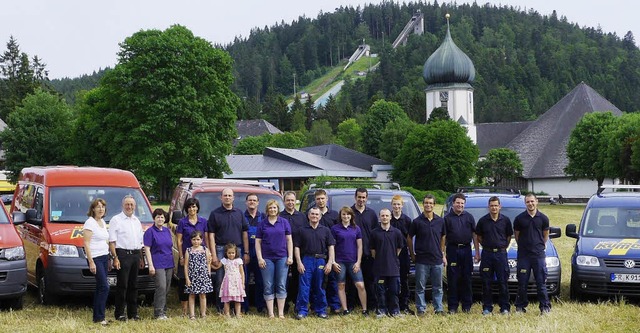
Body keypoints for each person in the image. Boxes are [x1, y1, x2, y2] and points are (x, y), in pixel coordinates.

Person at [208, 188, 250, 313]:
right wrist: (214, 255)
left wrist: (246, 252)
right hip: (221, 249)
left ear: (233, 198)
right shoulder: (215, 214)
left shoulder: (239, 213)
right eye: (225, 195)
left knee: (237, 279)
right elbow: (211, 235)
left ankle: (236, 308)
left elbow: (244, 233)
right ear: (221, 197)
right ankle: (221, 308)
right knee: (221, 280)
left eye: (229, 195)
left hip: (237, 250)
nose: (227, 197)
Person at [294, 207, 336, 320]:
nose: (314, 216)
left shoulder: (326, 230)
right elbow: (296, 247)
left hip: (321, 260)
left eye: (317, 214)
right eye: (312, 214)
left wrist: (330, 263)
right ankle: (302, 310)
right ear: (308, 216)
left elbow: (331, 246)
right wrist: (299, 262)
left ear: (320, 216)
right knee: (304, 286)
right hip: (306, 260)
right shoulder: (301, 230)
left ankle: (321, 310)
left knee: (320, 286)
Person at [514, 193, 552, 314]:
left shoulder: (543, 218)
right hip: (524, 256)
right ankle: (520, 307)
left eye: (532, 201)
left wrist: (537, 246)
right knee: (522, 283)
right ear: (525, 203)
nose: (530, 204)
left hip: (538, 256)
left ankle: (545, 307)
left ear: (536, 201)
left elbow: (545, 236)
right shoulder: (519, 219)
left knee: (541, 283)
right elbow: (517, 236)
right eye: (528, 202)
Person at [408, 194, 446, 315]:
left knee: (438, 287)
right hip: (421, 259)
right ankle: (420, 308)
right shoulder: (417, 221)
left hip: (437, 259)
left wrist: (442, 252)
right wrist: (412, 253)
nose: (428, 205)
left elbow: (443, 236)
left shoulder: (440, 221)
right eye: (426, 203)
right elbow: (409, 237)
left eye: (430, 203)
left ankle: (438, 308)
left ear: (434, 205)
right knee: (420, 287)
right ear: (423, 204)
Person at [108, 194, 144, 321]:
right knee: (122, 286)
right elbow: (112, 241)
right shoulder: (116, 220)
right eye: (127, 204)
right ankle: (120, 314)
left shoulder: (136, 221)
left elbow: (140, 242)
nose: (129, 207)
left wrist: (141, 258)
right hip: (122, 255)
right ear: (122, 205)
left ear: (135, 206)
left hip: (135, 255)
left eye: (131, 205)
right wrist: (115, 258)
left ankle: (133, 313)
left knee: (134, 286)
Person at [476, 196, 513, 315]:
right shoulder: (482, 221)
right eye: (492, 205)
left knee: (503, 281)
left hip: (501, 254)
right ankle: (487, 307)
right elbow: (479, 237)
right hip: (487, 254)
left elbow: (508, 237)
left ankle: (505, 307)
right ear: (489, 207)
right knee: (486, 282)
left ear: (500, 206)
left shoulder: (506, 220)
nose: (494, 208)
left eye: (496, 205)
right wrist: (488, 246)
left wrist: (502, 247)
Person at [256, 199, 293, 318]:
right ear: (267, 210)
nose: (272, 210)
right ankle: (271, 313)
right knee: (268, 285)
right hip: (267, 258)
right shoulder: (262, 224)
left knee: (281, 284)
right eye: (270, 208)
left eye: (274, 208)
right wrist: (260, 258)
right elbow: (258, 243)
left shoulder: (284, 222)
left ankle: (281, 313)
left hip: (282, 257)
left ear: (278, 209)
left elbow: (289, 240)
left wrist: (290, 256)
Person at [444, 193, 480, 314]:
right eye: (457, 203)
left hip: (466, 250)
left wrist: (477, 252)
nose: (460, 205)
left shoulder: (469, 217)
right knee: (453, 279)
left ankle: (467, 306)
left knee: (467, 279)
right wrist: (443, 254)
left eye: (462, 203)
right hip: (453, 250)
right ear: (453, 204)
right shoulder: (447, 218)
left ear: (464, 204)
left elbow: (475, 235)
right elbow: (443, 238)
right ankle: (453, 307)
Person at [330, 206, 367, 315]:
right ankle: (345, 309)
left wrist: (358, 262)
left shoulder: (356, 229)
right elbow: (332, 246)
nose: (346, 216)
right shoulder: (335, 229)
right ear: (340, 216)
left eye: (348, 214)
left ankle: (364, 309)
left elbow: (360, 246)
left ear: (351, 216)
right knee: (341, 285)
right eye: (343, 214)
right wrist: (333, 262)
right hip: (339, 262)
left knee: (360, 285)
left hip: (353, 261)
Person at [175, 198, 209, 317]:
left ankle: (202, 311)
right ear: (186, 209)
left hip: (200, 257)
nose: (192, 209)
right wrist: (181, 256)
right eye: (189, 207)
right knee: (184, 282)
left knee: (201, 285)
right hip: (187, 256)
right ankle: (185, 311)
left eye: (194, 206)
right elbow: (179, 240)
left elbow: (207, 238)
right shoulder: (182, 222)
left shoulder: (203, 221)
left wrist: (208, 253)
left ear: (197, 208)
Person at [370, 208, 404, 318]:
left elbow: (399, 249)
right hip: (379, 268)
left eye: (387, 215)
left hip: (393, 268)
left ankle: (394, 311)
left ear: (390, 217)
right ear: (379, 218)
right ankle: (382, 310)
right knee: (380, 291)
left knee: (394, 291)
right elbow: (373, 251)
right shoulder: (374, 233)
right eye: (382, 216)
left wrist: (391, 258)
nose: (384, 217)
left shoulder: (397, 233)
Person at [312, 189, 340, 314]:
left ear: (326, 199)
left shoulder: (334, 215)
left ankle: (334, 305)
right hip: (316, 253)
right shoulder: (312, 213)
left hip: (332, 251)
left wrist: (333, 259)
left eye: (322, 198)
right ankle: (314, 304)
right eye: (318, 199)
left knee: (332, 280)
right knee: (317, 281)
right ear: (315, 200)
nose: (320, 201)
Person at [143, 208, 174, 320]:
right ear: (154, 219)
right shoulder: (149, 232)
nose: (160, 219)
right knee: (161, 286)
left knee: (167, 288)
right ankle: (158, 312)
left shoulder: (167, 231)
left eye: (162, 217)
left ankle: (163, 311)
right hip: (157, 263)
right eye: (158, 217)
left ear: (165, 219)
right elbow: (147, 249)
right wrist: (150, 265)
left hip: (169, 263)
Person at [83, 198, 110, 326]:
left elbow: (105, 241)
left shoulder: (103, 222)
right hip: (96, 258)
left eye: (102, 207)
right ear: (93, 209)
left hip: (104, 256)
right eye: (98, 207)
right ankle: (99, 317)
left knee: (101, 287)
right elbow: (86, 243)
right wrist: (91, 261)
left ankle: (99, 316)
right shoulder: (90, 223)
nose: (101, 209)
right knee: (104, 286)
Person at [351, 188, 378, 314]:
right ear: (355, 197)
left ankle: (372, 305)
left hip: (368, 253)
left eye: (363, 197)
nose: (361, 199)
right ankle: (351, 304)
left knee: (369, 280)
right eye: (359, 197)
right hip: (351, 254)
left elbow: (375, 234)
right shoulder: (349, 212)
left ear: (366, 198)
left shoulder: (372, 214)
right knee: (351, 282)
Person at [279, 191, 308, 309]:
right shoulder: (279, 216)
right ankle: (284, 304)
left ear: (295, 202)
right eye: (288, 200)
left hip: (299, 252)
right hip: (282, 251)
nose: (290, 203)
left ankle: (297, 302)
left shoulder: (302, 216)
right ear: (284, 201)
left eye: (292, 200)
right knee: (283, 279)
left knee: (297, 277)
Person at [390, 195, 413, 315]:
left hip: (403, 253)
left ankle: (404, 305)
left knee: (404, 280)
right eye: (394, 204)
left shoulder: (408, 220)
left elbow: (409, 239)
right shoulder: (388, 218)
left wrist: (412, 253)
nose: (396, 206)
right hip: (389, 254)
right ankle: (392, 305)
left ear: (402, 205)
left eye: (398, 204)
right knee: (391, 280)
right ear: (391, 205)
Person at [244, 193, 267, 313]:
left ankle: (261, 306)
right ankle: (244, 307)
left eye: (254, 200)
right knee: (244, 280)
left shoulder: (263, 217)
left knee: (260, 281)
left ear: (258, 203)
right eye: (250, 200)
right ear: (246, 202)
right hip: (246, 252)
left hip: (260, 253)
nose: (252, 202)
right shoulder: (242, 216)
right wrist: (245, 253)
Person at [185, 230, 214, 319]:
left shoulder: (205, 250)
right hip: (192, 276)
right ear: (191, 240)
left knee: (202, 295)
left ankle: (203, 314)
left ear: (201, 240)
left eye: (198, 239)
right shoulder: (189, 250)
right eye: (194, 239)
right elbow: (186, 265)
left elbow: (208, 263)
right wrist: (187, 278)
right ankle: (192, 314)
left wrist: (208, 274)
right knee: (192, 294)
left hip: (203, 276)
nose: (196, 241)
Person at [219, 243, 246, 318]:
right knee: (226, 300)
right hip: (228, 282)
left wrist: (243, 283)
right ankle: (227, 314)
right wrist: (209, 262)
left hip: (237, 282)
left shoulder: (239, 260)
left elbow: (242, 273)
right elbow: (217, 266)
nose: (231, 255)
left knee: (237, 299)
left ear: (236, 253)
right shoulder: (224, 260)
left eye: (233, 253)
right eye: (229, 253)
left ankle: (238, 314)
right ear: (226, 253)